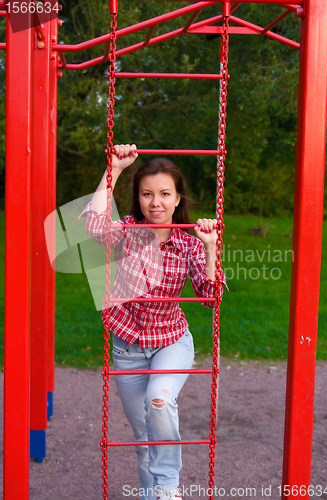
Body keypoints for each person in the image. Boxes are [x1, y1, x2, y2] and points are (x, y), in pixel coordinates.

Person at [77, 144, 227, 500]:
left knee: (159, 399)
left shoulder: (189, 244)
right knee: (145, 439)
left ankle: (169, 487)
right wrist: (112, 169)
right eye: (147, 194)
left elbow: (209, 297)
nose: (155, 202)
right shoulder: (127, 232)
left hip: (171, 342)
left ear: (177, 200)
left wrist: (209, 247)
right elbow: (90, 225)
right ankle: (153, 496)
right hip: (127, 346)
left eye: (164, 194)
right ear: (139, 199)